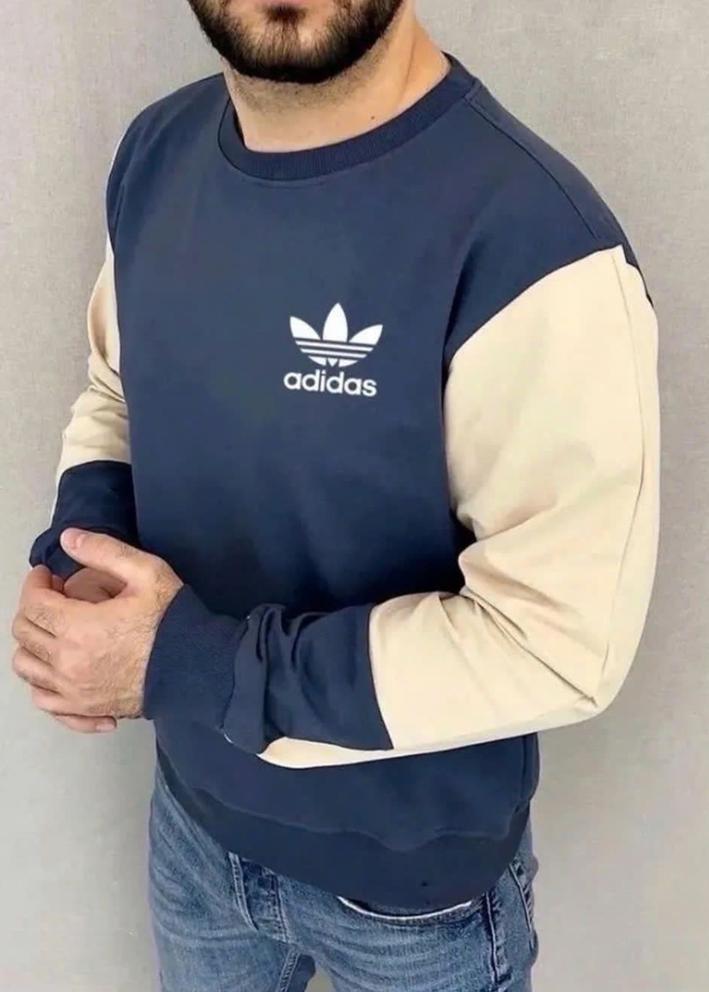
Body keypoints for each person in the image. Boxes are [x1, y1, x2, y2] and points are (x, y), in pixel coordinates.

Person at [11, 1, 661, 990]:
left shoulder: (534, 243)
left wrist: (183, 663)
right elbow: (117, 387)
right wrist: (86, 544)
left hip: (411, 902)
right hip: (192, 826)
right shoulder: (157, 153)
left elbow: (558, 642)